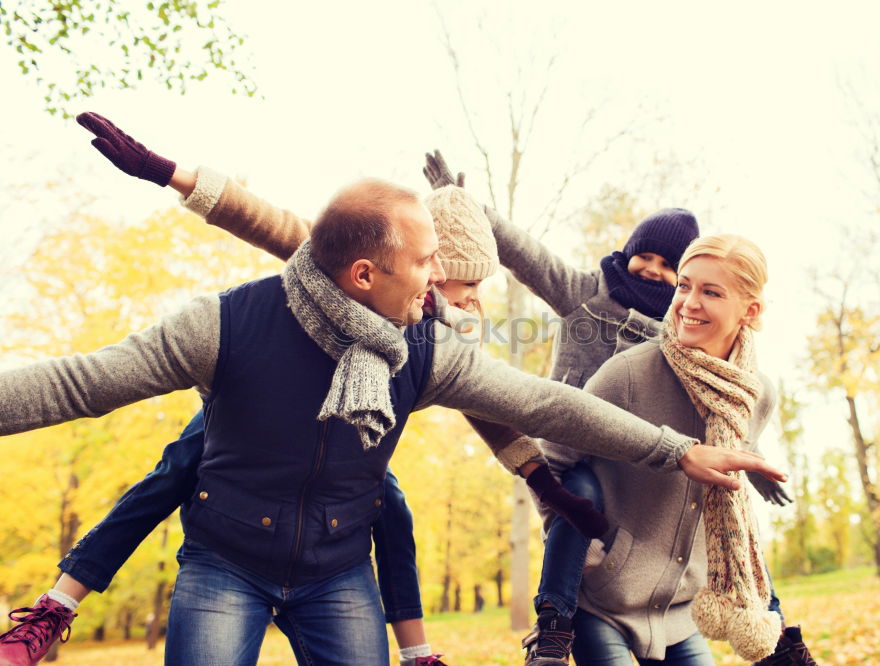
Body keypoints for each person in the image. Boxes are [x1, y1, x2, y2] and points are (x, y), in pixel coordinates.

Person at [0, 142, 784, 665]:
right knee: (183, 457)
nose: (447, 283)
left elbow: (542, 405)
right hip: (229, 551)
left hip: (335, 565)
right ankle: (62, 600)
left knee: (391, 507)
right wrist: (180, 176)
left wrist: (673, 451)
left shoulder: (426, 346)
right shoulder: (233, 320)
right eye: (430, 263)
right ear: (366, 275)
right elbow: (78, 382)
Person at [418, 153, 798, 664]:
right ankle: (554, 619)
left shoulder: (694, 344)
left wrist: (754, 458)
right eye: (648, 258)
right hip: (575, 458)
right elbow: (525, 254)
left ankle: (773, 630)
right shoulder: (587, 299)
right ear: (628, 251)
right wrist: (468, 210)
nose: (655, 272)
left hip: (649, 476)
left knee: (734, 515)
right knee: (582, 492)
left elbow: (723, 421)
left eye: (671, 268)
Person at [535, 234, 816, 665]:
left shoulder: (757, 393)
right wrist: (583, 543)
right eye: (684, 285)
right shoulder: (627, 374)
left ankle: (776, 644)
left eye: (711, 292)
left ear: (751, 310)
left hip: (678, 612)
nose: (688, 303)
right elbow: (553, 461)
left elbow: (731, 499)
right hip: (602, 603)